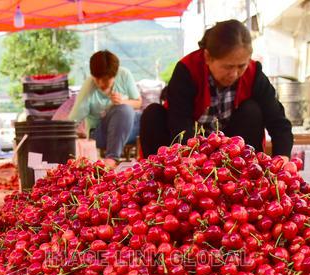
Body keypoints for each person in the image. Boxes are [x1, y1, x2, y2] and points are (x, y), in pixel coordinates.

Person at [141, 20, 293, 158]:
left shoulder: (254, 73)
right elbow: (179, 122)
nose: (234, 74)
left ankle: (247, 176)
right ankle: (156, 176)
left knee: (252, 110)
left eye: (241, 66)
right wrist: (194, 164)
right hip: (190, 149)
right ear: (208, 57)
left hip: (232, 153)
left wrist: (283, 157)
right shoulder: (188, 69)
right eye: (228, 67)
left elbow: (277, 120)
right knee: (153, 114)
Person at [69, 50, 142, 167]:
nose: (99, 83)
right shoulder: (89, 85)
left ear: (115, 75)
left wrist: (122, 101)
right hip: (100, 133)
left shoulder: (124, 75)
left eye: (104, 79)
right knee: (124, 110)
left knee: (146, 114)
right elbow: (73, 119)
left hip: (126, 131)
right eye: (96, 78)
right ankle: (111, 159)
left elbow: (138, 102)